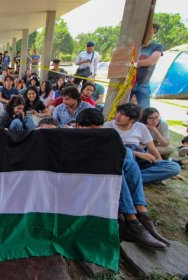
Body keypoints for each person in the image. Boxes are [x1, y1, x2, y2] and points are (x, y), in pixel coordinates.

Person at [76, 108, 170, 249]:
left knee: (130, 165)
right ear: (78, 126)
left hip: (105, 169)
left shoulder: (104, 136)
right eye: (90, 129)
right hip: (85, 175)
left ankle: (142, 213)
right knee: (118, 169)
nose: (94, 133)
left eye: (97, 130)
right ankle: (132, 221)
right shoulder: (72, 136)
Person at [103, 103, 180, 183]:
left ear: (132, 119)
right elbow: (107, 148)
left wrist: (159, 163)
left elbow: (152, 148)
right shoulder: (108, 126)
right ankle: (131, 178)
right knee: (128, 153)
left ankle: (129, 178)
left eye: (123, 115)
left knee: (174, 167)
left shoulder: (140, 127)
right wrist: (138, 153)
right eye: (118, 112)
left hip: (137, 160)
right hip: (120, 158)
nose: (118, 116)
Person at [130, 24, 163, 110]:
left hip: (143, 84)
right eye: (148, 31)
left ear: (154, 34)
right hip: (128, 83)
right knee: (123, 109)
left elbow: (151, 61)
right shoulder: (134, 45)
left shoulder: (157, 47)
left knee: (145, 112)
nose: (150, 33)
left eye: (153, 32)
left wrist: (134, 64)